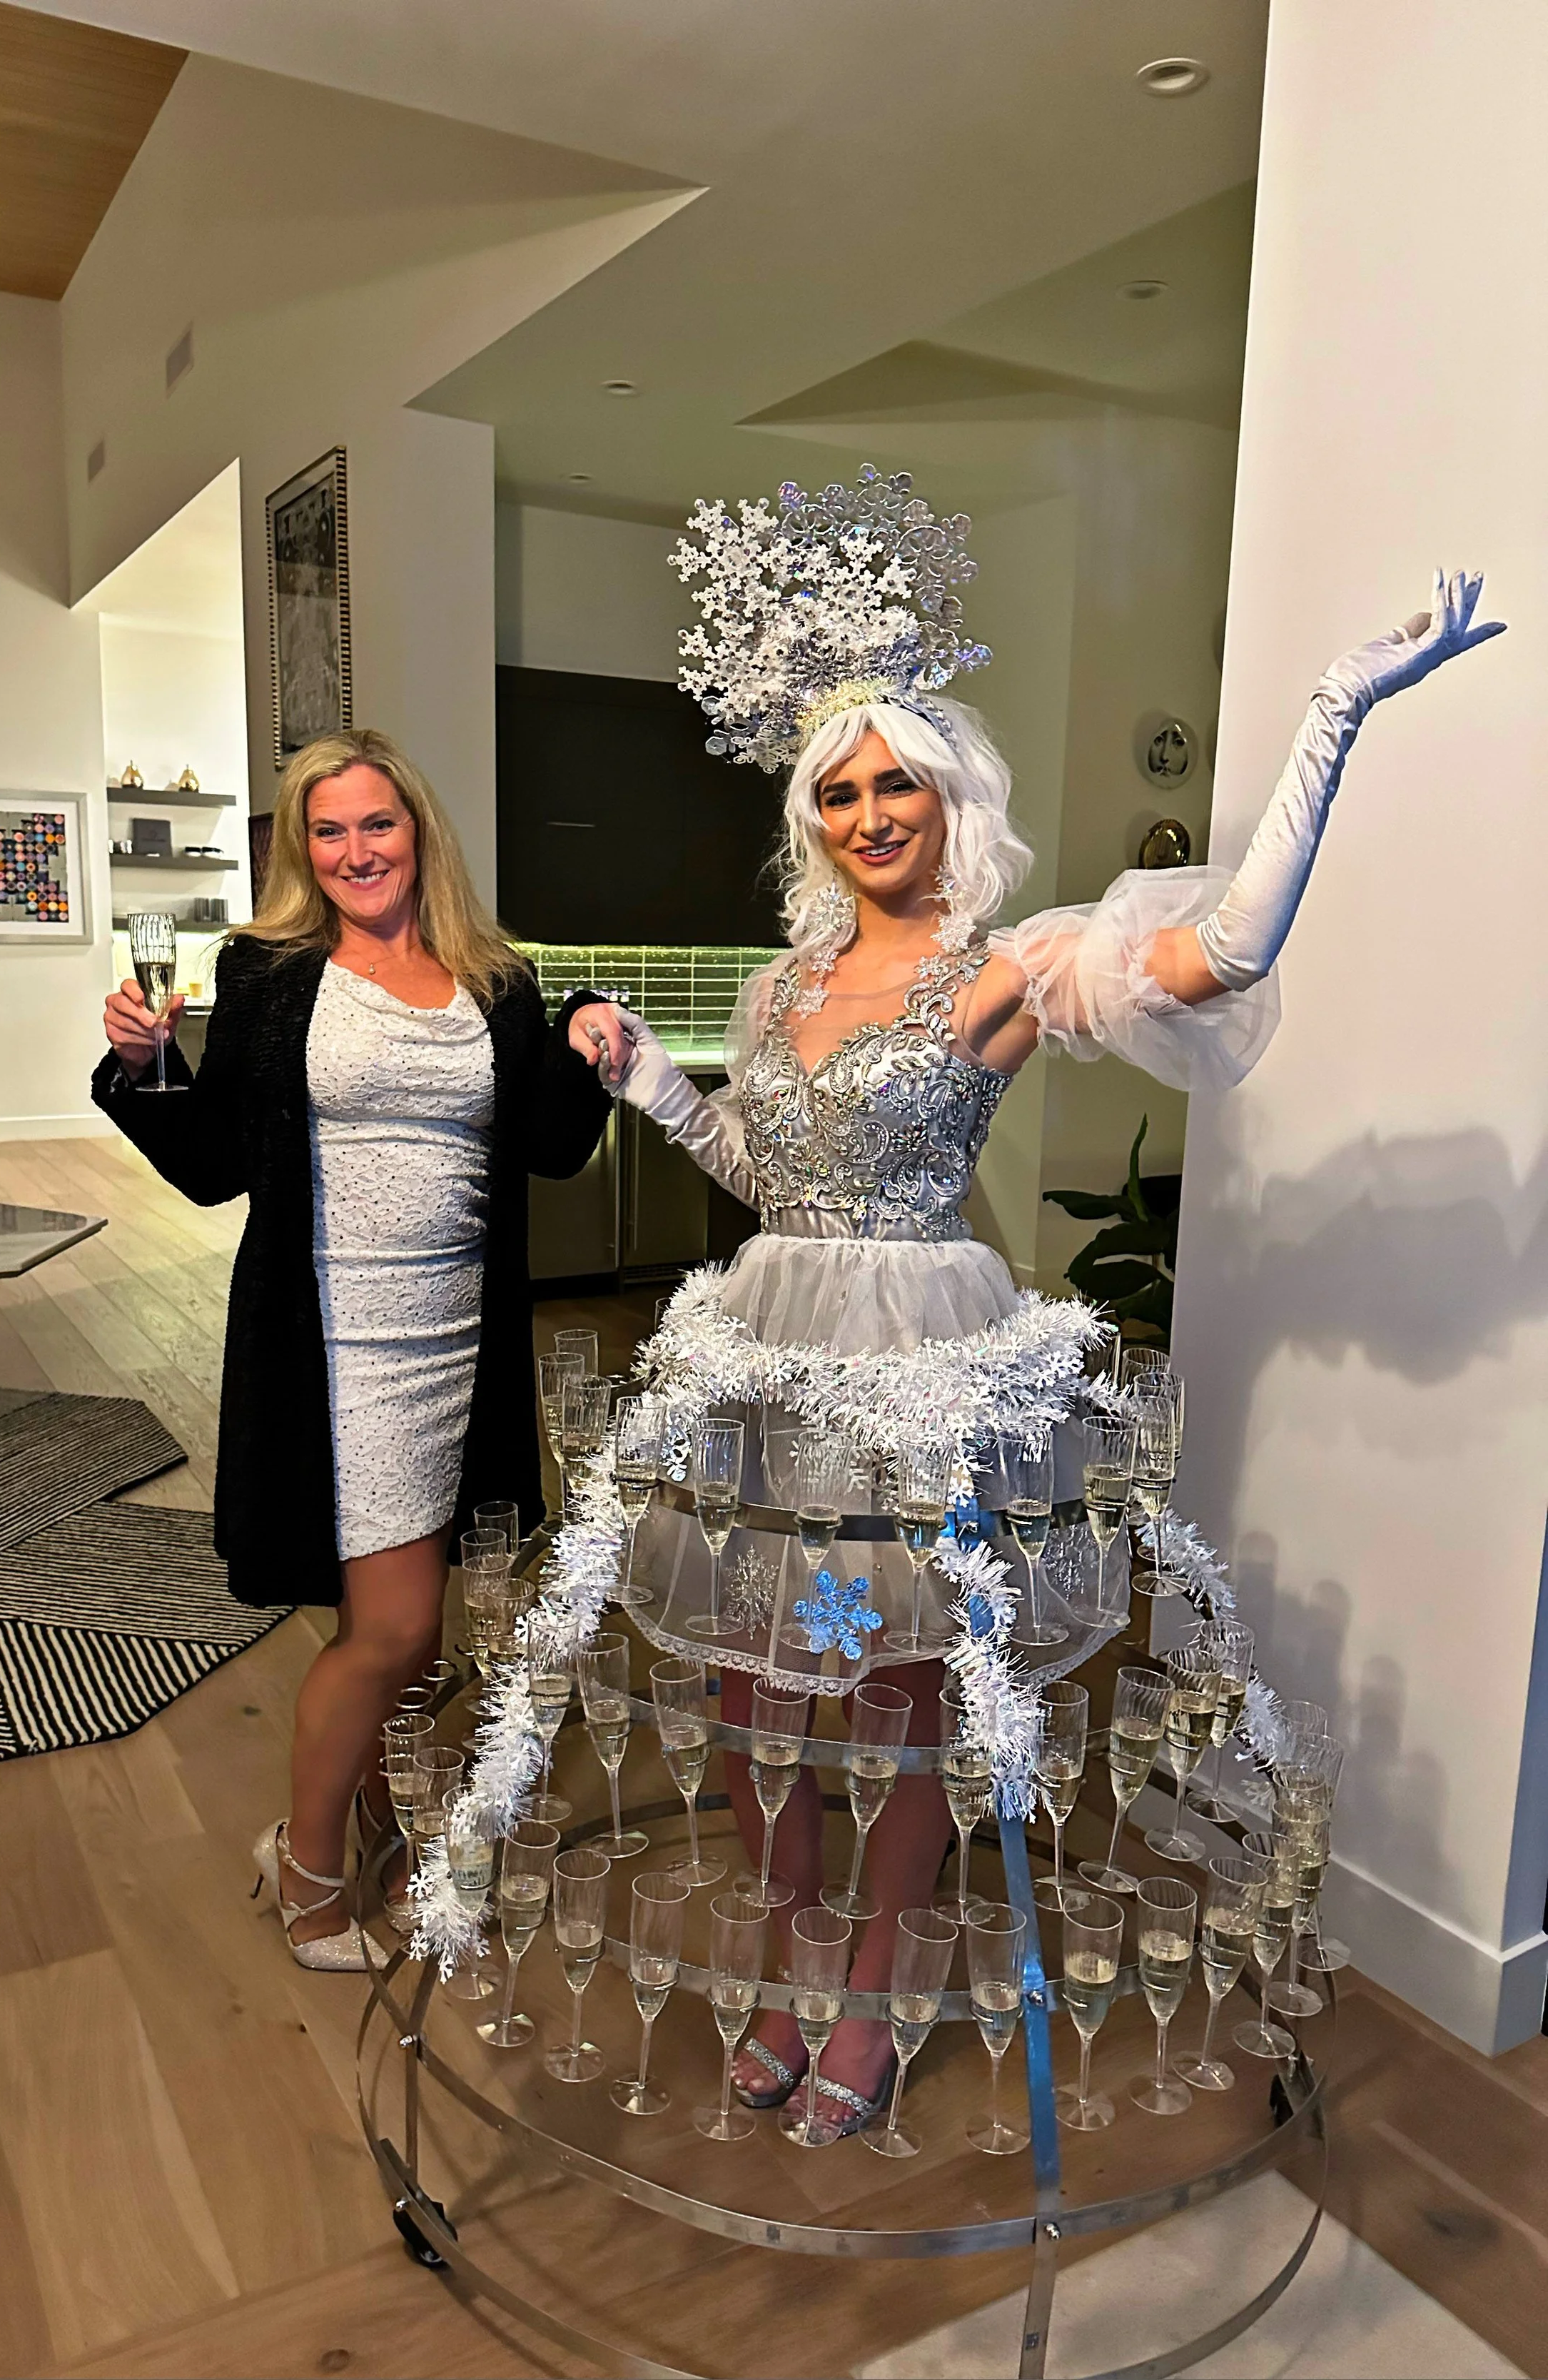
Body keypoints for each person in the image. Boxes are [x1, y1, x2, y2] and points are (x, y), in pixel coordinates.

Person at [609, 470, 1502, 2134]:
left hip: (918, 1352)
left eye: (899, 786)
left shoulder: (1003, 965)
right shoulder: (778, 979)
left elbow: (1215, 955)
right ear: (807, 815)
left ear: (950, 800)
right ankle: (793, 1957)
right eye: (840, 791)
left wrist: (1328, 719)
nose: (871, 814)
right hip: (766, 1349)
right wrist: (657, 1083)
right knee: (749, 1696)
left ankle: (868, 1992)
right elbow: (763, 1170)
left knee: (883, 1692)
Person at [94, 728, 625, 1969]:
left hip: (461, 1342)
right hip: (334, 1341)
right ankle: (311, 1875)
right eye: (326, 831)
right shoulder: (272, 974)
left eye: (374, 824)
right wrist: (144, 1067)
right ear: (303, 846)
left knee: (421, 1626)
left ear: (418, 828)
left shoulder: (495, 977)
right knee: (387, 1630)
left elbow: (551, 1143)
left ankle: (375, 1834)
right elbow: (219, 1163)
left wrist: (591, 1038)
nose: (353, 851)